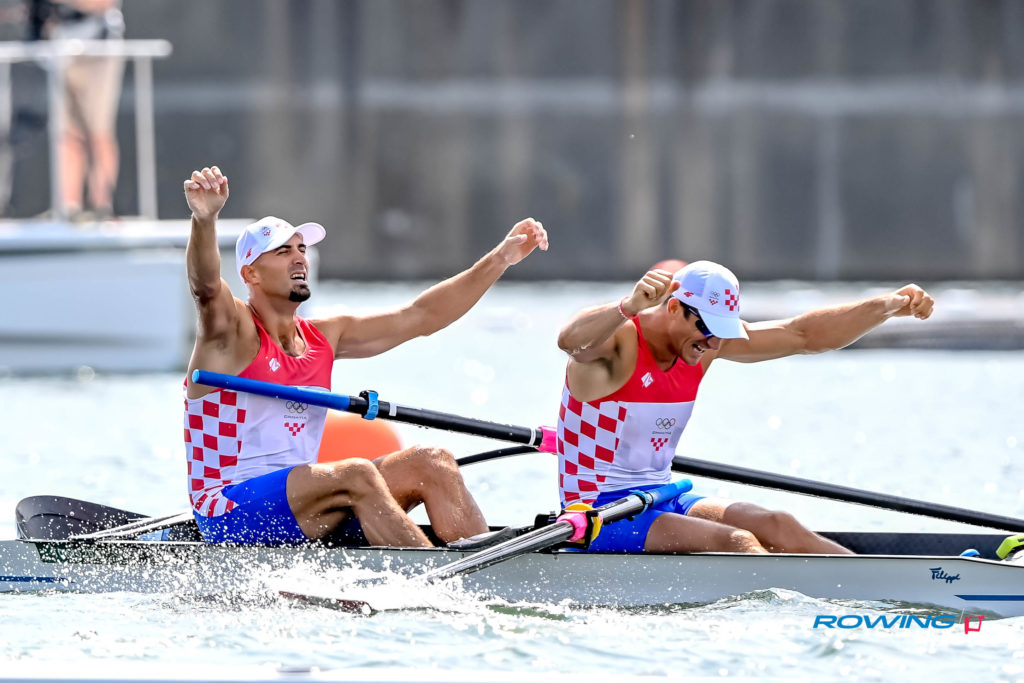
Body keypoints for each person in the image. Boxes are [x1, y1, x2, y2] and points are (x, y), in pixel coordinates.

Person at [182, 165, 549, 547]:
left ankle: (484, 570)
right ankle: (440, 578)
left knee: (433, 461)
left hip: (304, 507)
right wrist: (204, 219)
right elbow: (205, 287)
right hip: (229, 511)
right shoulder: (231, 332)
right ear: (251, 274)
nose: (299, 258)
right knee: (357, 473)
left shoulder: (325, 336)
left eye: (302, 249)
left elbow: (422, 316)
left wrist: (500, 259)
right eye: (283, 251)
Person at [555, 260, 934, 555]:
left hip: (662, 496)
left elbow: (802, 335)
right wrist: (627, 307)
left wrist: (885, 307)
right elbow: (571, 342)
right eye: (707, 328)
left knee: (779, 525)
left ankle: (881, 592)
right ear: (673, 307)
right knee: (737, 541)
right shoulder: (619, 346)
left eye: (722, 331)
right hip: (596, 514)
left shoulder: (702, 346)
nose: (713, 343)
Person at [29, 0, 125, 220]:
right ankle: (69, 208)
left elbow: (104, 3)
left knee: (99, 132)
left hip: (99, 51)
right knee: (68, 135)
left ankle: (102, 206)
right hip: (62, 52)